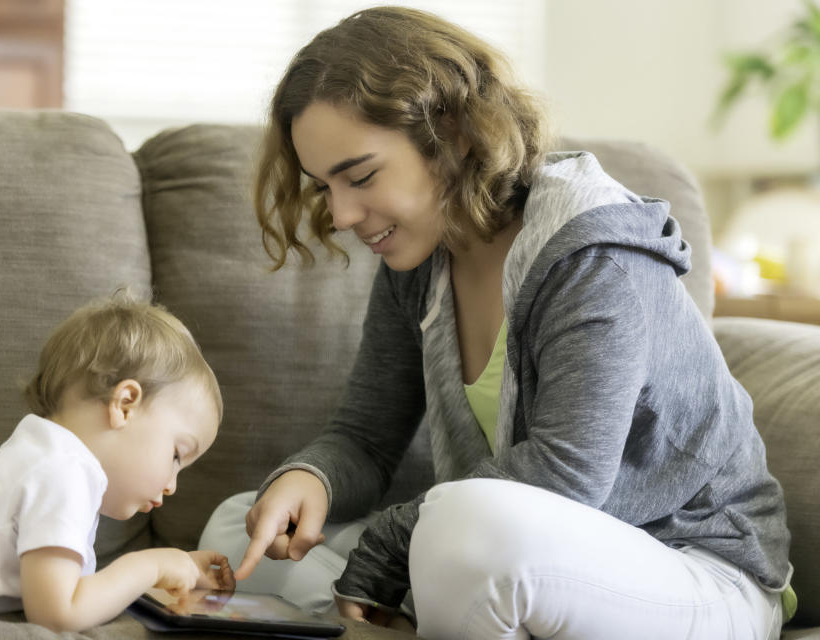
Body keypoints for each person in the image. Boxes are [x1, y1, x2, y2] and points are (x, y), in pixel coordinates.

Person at [198, 6, 794, 640]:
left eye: (361, 176)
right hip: (513, 552)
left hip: (693, 568)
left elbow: (566, 479)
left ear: (451, 134)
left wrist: (392, 542)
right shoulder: (417, 263)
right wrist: (305, 479)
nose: (342, 214)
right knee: (240, 530)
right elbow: (366, 439)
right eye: (324, 188)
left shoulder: (594, 256)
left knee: (463, 528)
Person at [0, 293, 234, 631]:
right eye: (175, 456)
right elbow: (58, 612)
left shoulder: (49, 460)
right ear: (125, 405)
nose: (171, 484)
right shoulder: (65, 471)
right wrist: (151, 565)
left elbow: (69, 589)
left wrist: (170, 573)